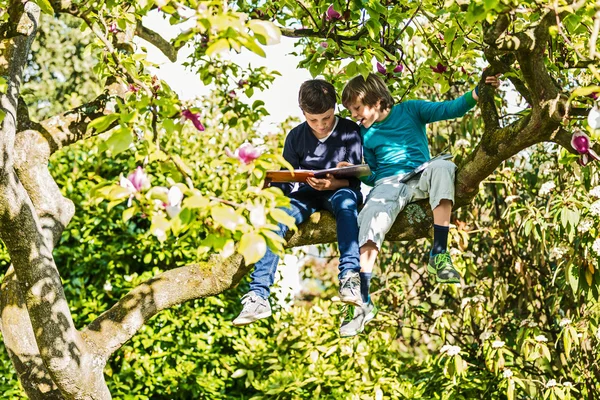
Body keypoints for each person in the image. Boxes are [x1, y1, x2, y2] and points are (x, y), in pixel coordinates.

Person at [337, 72, 500, 337]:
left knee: (444, 166)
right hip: (388, 183)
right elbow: (374, 173)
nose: (354, 114)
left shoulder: (410, 109)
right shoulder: (363, 134)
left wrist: (477, 93)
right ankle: (362, 299)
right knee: (372, 215)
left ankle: (439, 253)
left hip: (421, 173)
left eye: (357, 108)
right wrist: (354, 170)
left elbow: (449, 109)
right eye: (350, 110)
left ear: (376, 100)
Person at [233, 79, 365, 329]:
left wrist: (332, 184)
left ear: (335, 108)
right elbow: (284, 183)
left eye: (326, 118)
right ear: (302, 113)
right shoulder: (295, 136)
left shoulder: (350, 131)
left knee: (347, 207)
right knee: (275, 222)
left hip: (340, 191)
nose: (321, 125)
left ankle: (349, 276)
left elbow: (355, 179)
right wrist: (267, 193)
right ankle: (258, 295)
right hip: (305, 194)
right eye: (313, 120)